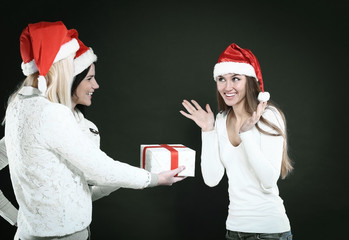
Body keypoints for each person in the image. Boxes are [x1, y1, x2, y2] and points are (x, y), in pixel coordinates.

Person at [4, 21, 185, 240]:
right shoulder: (50, 114)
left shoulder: (18, 105)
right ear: (62, 68)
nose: (95, 85)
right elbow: (99, 169)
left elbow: (82, 190)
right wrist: (154, 178)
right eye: (72, 65)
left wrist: (17, 219)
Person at [180, 43, 293, 240]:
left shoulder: (269, 116)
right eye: (221, 79)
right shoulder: (222, 119)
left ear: (249, 81)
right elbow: (212, 179)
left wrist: (246, 134)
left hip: (269, 231)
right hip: (234, 230)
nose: (227, 87)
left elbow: (268, 181)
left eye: (236, 79)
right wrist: (208, 131)